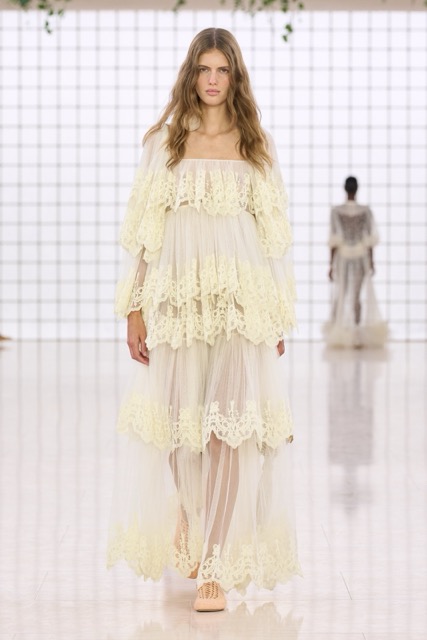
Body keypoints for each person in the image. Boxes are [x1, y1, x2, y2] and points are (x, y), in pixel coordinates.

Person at [107, 28, 301, 612]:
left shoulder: (255, 144)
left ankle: (213, 564)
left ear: (235, 77)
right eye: (204, 69)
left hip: (242, 303)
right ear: (191, 74)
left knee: (227, 430)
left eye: (222, 70)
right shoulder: (164, 143)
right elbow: (146, 232)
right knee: (178, 429)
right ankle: (192, 515)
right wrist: (135, 308)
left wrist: (276, 315)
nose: (213, 80)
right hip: (177, 301)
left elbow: (273, 238)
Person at [324, 176, 388, 348]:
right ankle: (356, 333)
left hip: (343, 257)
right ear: (357, 188)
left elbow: (334, 240)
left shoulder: (336, 211)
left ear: (345, 189)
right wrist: (372, 262)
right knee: (356, 296)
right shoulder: (365, 211)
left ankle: (341, 331)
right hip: (360, 257)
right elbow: (369, 239)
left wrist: (330, 265)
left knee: (342, 293)